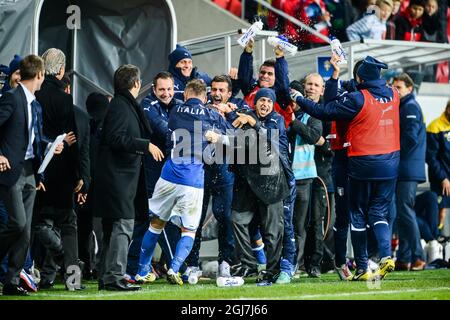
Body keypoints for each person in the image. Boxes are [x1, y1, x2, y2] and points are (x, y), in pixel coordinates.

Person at [291, 56, 400, 281]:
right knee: (378, 212)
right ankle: (386, 256)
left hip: (361, 161)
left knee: (355, 215)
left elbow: (324, 110)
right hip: (390, 162)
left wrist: (299, 98)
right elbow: (355, 88)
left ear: (360, 78)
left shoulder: (357, 99)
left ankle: (360, 266)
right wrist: (336, 77)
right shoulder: (393, 94)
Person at [135, 79, 231, 285]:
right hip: (192, 180)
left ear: (186, 96)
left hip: (168, 174)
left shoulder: (176, 111)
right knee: (189, 230)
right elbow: (234, 139)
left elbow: (170, 135)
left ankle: (142, 270)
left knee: (156, 224)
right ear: (204, 98)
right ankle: (175, 268)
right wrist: (218, 136)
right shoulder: (211, 114)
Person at [93, 64, 163, 291]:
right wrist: (145, 145)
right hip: (117, 179)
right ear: (136, 84)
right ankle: (114, 276)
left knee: (114, 227)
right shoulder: (122, 107)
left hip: (118, 178)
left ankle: (107, 276)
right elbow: (116, 138)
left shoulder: (121, 104)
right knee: (123, 225)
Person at [0, 54, 64, 296]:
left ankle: (11, 281)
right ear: (39, 75)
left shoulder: (35, 104)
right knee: (17, 224)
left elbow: (35, 139)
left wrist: (50, 146)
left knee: (25, 230)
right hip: (11, 171)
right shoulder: (11, 98)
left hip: (30, 172)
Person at [228, 88, 289, 284]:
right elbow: (240, 143)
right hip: (247, 182)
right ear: (255, 103)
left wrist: (252, 123)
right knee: (238, 220)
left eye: (269, 102)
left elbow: (269, 142)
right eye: (262, 100)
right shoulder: (245, 117)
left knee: (272, 232)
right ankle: (248, 264)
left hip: (271, 183)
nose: (265, 105)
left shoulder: (277, 120)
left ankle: (272, 270)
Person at [126, 72, 183, 282]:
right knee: (153, 220)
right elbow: (163, 130)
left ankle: (142, 268)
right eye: (162, 89)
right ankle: (170, 266)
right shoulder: (147, 105)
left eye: (169, 89)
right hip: (151, 175)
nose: (166, 93)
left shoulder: (178, 104)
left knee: (167, 221)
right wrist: (186, 138)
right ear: (154, 89)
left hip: (173, 173)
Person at [34, 48, 82, 290]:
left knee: (43, 222)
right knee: (68, 224)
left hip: (37, 170)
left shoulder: (35, 95)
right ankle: (72, 278)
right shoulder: (64, 99)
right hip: (62, 172)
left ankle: (47, 276)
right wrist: (78, 175)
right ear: (62, 70)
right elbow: (72, 140)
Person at [288, 75, 324, 278]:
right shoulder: (283, 117)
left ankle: (297, 264)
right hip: (284, 178)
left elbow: (313, 136)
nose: (292, 103)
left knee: (299, 225)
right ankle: (286, 263)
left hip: (303, 178)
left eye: (295, 99)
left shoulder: (310, 117)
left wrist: (294, 123)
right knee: (286, 224)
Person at [392, 73, 427, 271]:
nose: (396, 90)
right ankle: (404, 258)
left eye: (399, 87)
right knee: (402, 213)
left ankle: (418, 256)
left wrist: (393, 153)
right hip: (405, 168)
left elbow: (411, 138)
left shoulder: (410, 107)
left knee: (405, 211)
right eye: (394, 87)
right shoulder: (404, 106)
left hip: (407, 168)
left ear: (409, 89)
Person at [237, 38, 293, 127]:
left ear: (276, 76)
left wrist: (280, 57)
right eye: (262, 72)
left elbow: (283, 84)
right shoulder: (251, 88)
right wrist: (248, 52)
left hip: (273, 136)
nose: (265, 76)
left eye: (270, 74)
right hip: (248, 135)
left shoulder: (281, 95)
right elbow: (244, 76)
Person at [426, 100, 450, 234]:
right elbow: (431, 157)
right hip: (441, 180)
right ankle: (435, 239)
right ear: (448, 109)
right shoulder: (435, 127)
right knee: (440, 213)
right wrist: (443, 178)